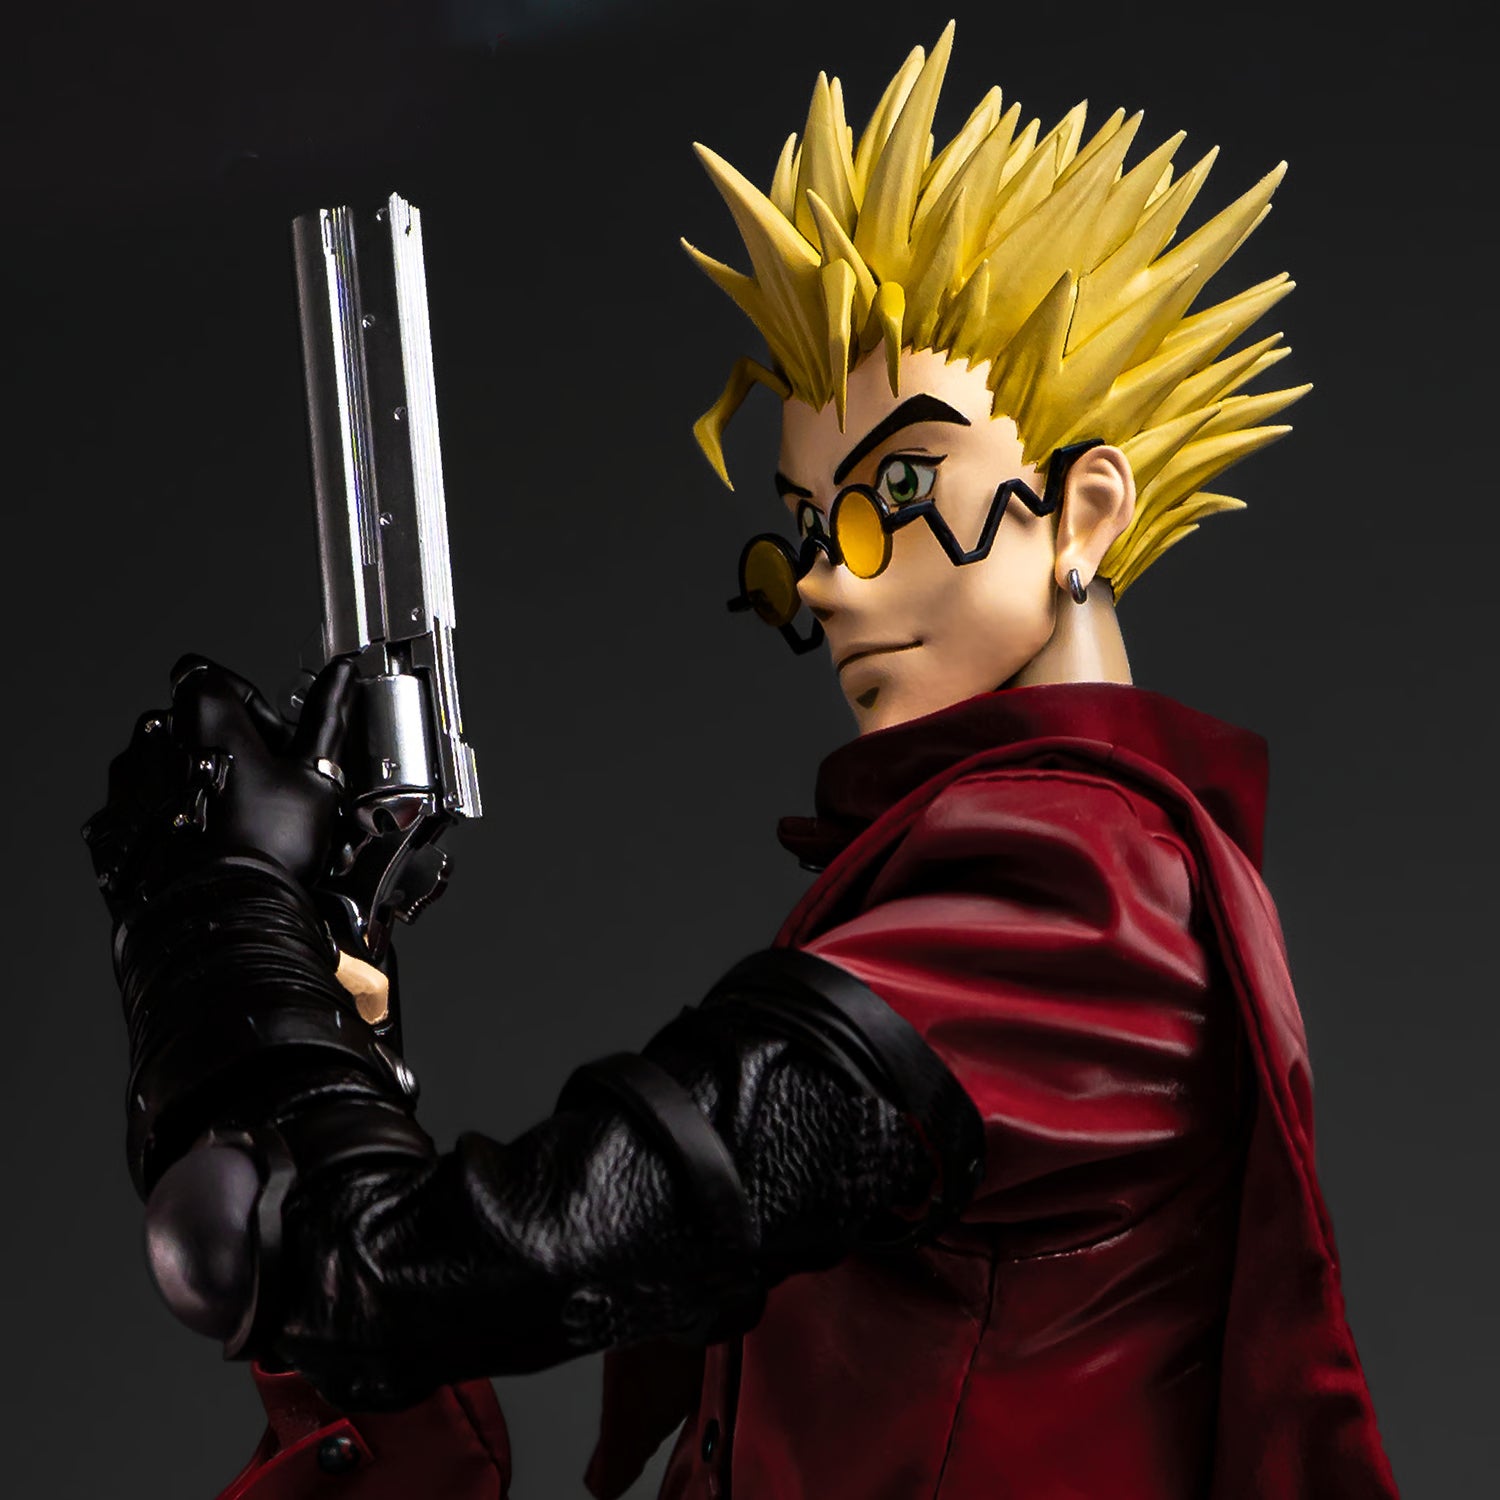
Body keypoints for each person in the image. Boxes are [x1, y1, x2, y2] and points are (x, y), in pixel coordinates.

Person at [85, 24, 1400, 1500]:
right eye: (807, 526)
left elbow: (444, 1266)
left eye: (897, 491)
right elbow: (434, 1308)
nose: (829, 582)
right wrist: (329, 1046)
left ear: (1083, 512)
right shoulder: (1054, 881)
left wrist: (227, 949)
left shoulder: (1075, 892)